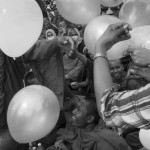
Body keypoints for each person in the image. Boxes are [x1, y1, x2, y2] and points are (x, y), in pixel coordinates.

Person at [93, 22, 150, 129]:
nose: (114, 71)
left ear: (123, 67)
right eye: (111, 69)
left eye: (117, 67)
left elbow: (108, 109)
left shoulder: (132, 82)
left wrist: (100, 46)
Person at [46, 96, 130, 150]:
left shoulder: (102, 142)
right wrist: (62, 142)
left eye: (78, 110)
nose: (73, 111)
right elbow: (72, 137)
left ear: (90, 119)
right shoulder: (82, 128)